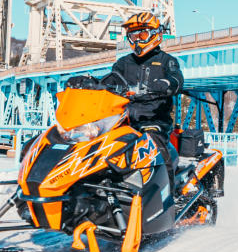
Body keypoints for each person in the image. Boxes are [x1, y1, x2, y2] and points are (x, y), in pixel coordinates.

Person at [68, 11, 184, 168]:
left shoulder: (166, 61)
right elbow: (109, 80)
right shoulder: (124, 62)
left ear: (155, 34)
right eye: (133, 36)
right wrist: (88, 82)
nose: (137, 40)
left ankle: (168, 188)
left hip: (152, 120)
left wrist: (164, 84)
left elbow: (177, 79)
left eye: (141, 35)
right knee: (93, 142)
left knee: (155, 147)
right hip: (123, 119)